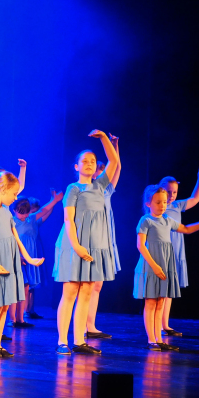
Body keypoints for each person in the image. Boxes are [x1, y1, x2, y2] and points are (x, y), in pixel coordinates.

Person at [53, 130, 118, 356]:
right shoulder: (74, 189)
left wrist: (104, 139)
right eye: (85, 161)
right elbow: (68, 220)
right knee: (70, 292)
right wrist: (77, 247)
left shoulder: (100, 186)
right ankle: (62, 341)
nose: (89, 164)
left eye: (92, 161)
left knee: (87, 292)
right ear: (76, 166)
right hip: (74, 243)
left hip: (94, 246)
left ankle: (79, 340)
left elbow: (114, 161)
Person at [134, 184, 199, 351]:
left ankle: (159, 339)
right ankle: (151, 340)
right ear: (148, 203)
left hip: (165, 264)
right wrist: (155, 266)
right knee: (151, 303)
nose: (162, 205)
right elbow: (141, 245)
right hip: (151, 265)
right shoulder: (146, 220)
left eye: (164, 202)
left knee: (160, 302)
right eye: (158, 202)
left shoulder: (167, 220)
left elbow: (186, 229)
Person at [0, 172, 44, 357]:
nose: (15, 198)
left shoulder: (6, 212)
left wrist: (29, 259)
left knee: (5, 305)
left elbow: (16, 238)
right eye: (14, 194)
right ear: (2, 189)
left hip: (10, 261)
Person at [158, 165, 199, 335]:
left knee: (170, 289)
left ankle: (165, 324)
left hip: (176, 248)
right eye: (168, 191)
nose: (171, 195)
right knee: (161, 289)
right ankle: (157, 325)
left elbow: (195, 199)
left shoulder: (177, 205)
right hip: (162, 249)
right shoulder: (158, 206)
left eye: (174, 192)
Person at [10, 190, 63, 326]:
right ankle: (12, 319)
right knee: (16, 287)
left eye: (26, 212)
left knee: (26, 286)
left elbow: (44, 210)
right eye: (21, 212)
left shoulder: (31, 219)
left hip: (30, 255)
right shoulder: (11, 222)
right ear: (14, 210)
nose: (24, 215)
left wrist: (54, 200)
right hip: (18, 255)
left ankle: (21, 318)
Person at [86, 133, 121, 339]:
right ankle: (83, 326)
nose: (102, 176)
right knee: (87, 285)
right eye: (99, 173)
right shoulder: (88, 190)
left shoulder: (107, 191)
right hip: (92, 239)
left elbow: (117, 166)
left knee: (97, 285)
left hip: (105, 238)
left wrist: (115, 145)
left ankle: (90, 325)